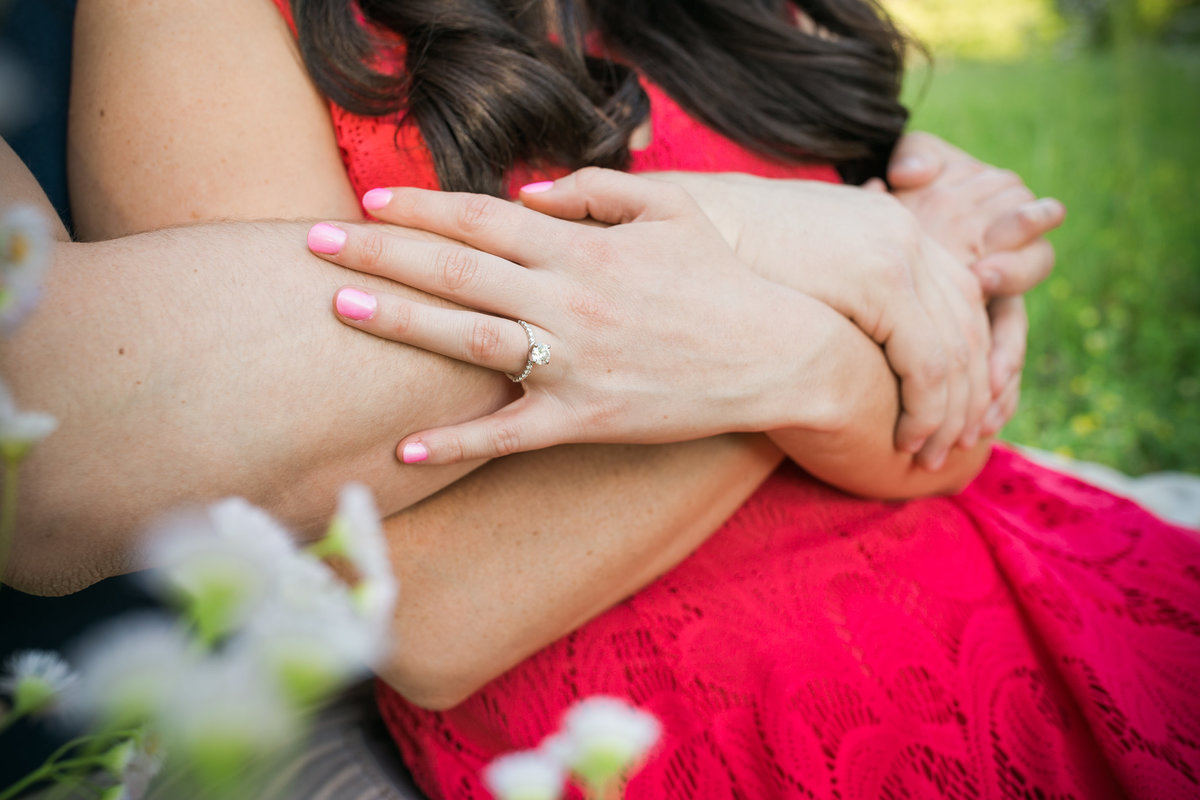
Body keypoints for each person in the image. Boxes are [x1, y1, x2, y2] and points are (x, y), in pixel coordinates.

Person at [49, 0, 1200, 797]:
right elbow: (426, 616)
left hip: (997, 572)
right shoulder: (202, 24)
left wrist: (866, 303)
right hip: (680, 718)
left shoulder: (742, 21)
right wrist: (829, 323)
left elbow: (946, 435)